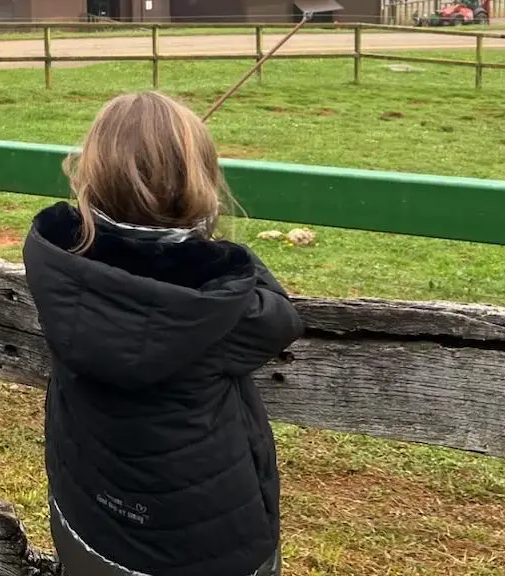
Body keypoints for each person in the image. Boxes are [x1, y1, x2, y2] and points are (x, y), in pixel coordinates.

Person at [22, 91, 305, 576]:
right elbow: (280, 318)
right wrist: (210, 248)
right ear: (199, 185)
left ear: (90, 176)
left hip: (87, 518)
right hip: (205, 549)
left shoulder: (58, 267)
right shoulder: (220, 306)